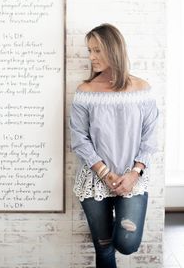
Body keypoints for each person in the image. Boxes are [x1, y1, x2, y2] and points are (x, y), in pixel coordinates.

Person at [69, 23, 159, 268]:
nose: (91, 57)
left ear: (114, 49)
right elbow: (79, 139)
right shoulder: (85, 91)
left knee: (127, 243)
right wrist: (105, 173)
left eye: (97, 50)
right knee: (104, 248)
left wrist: (134, 173)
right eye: (90, 50)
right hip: (95, 179)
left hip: (132, 179)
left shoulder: (142, 90)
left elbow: (150, 137)